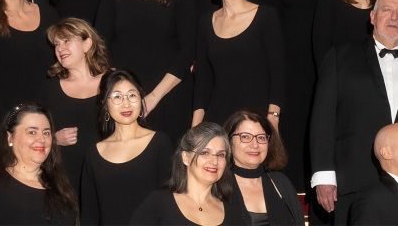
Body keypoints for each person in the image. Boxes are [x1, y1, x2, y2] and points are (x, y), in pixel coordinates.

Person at [310, 0, 398, 225]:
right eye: (387, 10)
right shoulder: (340, 57)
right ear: (372, 17)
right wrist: (323, 175)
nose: (394, 18)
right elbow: (322, 119)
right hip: (352, 180)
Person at [261, 0, 336, 191]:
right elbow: (268, 14)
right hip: (291, 57)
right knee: (295, 121)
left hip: (331, 54)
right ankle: (293, 194)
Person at [96, 0, 196, 141]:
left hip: (168, 94)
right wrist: (123, 94)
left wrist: (152, 97)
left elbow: (188, 51)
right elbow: (100, 43)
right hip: (123, 96)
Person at [193, 0, 285, 127]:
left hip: (254, 119)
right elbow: (202, 82)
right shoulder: (206, 21)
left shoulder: (266, 17)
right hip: (217, 118)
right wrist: (196, 129)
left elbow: (278, 73)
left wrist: (273, 118)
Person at [80, 70, 174, 225]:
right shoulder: (93, 154)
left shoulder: (160, 143)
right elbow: (89, 216)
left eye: (132, 95)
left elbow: (171, 204)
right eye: (117, 96)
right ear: (105, 103)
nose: (126, 103)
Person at [42, 17, 110, 198]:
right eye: (56, 44)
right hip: (65, 181)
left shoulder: (112, 82)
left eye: (66, 41)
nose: (60, 48)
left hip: (106, 174)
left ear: (87, 44)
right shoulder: (50, 88)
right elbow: (32, 133)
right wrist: (54, 139)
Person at [129, 122, 246, 225]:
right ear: (186, 158)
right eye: (204, 153)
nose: (214, 161)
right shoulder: (157, 204)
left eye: (221, 155)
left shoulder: (233, 213)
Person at [223, 110, 302, 225]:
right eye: (245, 137)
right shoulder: (218, 186)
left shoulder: (281, 182)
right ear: (229, 141)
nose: (255, 145)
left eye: (261, 137)